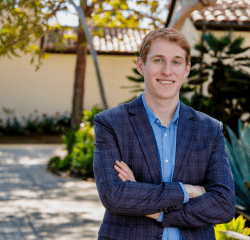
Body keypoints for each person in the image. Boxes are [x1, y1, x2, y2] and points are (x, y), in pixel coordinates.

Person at [93, 28, 235, 240]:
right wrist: (187, 191)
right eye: (158, 60)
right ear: (141, 65)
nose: (167, 71)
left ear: (186, 69)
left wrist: (157, 211)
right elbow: (114, 195)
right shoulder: (111, 123)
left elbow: (223, 204)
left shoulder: (209, 129)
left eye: (176, 62)